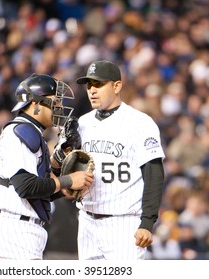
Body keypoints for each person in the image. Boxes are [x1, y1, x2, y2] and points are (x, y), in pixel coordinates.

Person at [0, 73, 94, 260]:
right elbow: (26, 186)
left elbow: (37, 190)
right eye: (54, 101)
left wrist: (63, 188)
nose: (59, 106)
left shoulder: (31, 132)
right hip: (15, 233)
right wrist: (68, 180)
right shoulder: (22, 132)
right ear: (35, 104)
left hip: (19, 230)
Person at [71, 60, 165, 260]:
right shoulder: (83, 123)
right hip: (87, 221)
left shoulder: (140, 122)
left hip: (123, 223)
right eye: (89, 86)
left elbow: (154, 174)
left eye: (98, 84)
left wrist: (147, 222)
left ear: (116, 86)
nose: (92, 91)